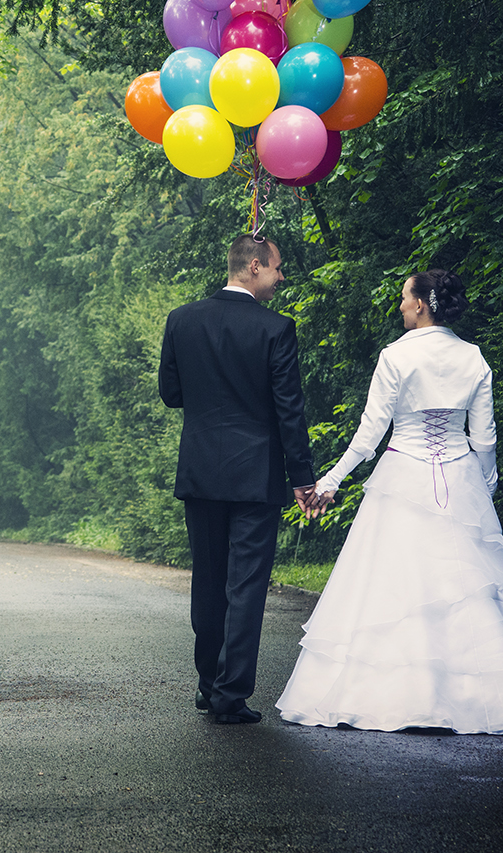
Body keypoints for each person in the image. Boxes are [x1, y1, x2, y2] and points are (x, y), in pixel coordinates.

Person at [275, 269, 503, 734]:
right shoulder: (473, 358)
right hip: (459, 475)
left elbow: (370, 433)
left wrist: (331, 481)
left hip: (403, 474)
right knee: (463, 588)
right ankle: (478, 699)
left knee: (394, 583)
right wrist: (483, 489)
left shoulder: (396, 357)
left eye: (404, 298)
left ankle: (392, 696)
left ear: (422, 303)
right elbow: (484, 438)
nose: (400, 306)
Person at [158, 234, 320, 725]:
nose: (281, 277)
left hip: (202, 469)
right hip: (256, 474)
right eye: (277, 269)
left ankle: (208, 685)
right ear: (254, 267)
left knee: (208, 581)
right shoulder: (276, 329)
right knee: (246, 585)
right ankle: (230, 695)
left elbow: (170, 393)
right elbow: (289, 410)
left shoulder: (182, 319)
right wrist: (302, 479)